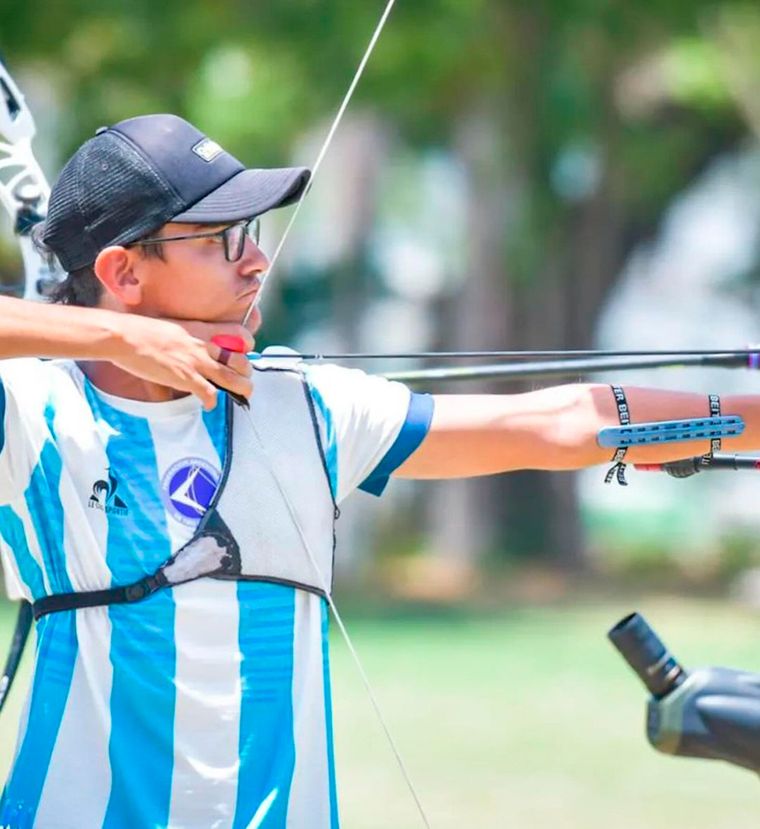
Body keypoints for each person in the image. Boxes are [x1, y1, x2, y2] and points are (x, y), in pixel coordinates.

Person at [0, 113, 759, 829]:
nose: (257, 260)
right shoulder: (32, 415)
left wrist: (742, 414)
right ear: (123, 273)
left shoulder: (303, 404)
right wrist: (118, 339)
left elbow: (556, 424)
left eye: (252, 233)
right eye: (220, 240)